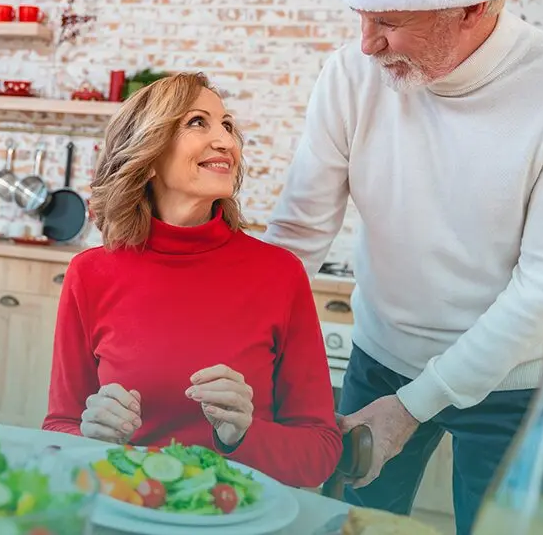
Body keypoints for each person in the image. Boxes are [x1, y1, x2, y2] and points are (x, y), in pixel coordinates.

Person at [263, 0, 543, 532]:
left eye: (390, 22)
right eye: (360, 16)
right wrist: (247, 341)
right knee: (345, 525)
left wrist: (415, 407)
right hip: (380, 359)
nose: (367, 44)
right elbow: (298, 228)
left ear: (472, 7)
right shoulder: (353, 73)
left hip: (514, 383)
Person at [42, 72, 342, 488]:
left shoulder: (280, 274)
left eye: (228, 125)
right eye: (198, 122)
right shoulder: (90, 274)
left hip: (237, 516)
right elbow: (59, 426)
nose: (225, 140)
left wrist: (244, 435)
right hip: (126, 507)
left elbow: (320, 454)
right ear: (147, 154)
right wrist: (90, 440)